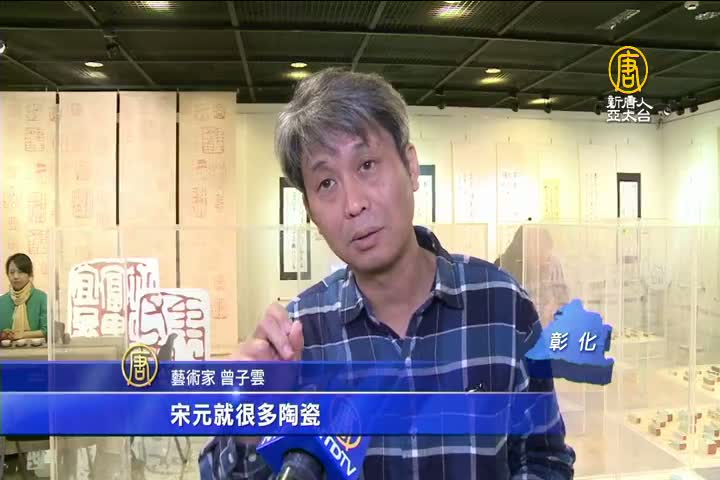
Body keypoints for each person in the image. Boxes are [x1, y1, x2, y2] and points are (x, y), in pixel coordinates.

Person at [199, 68, 575, 479]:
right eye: (326, 184)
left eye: (366, 165)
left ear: (411, 167)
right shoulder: (298, 340)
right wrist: (250, 425)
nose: (353, 204)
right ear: (310, 212)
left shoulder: (502, 303)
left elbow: (544, 459)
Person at [495, 226, 570, 327]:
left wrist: (555, 306)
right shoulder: (504, 266)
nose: (545, 258)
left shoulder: (553, 264)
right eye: (539, 250)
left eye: (546, 252)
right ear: (524, 249)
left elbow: (563, 299)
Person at [0, 253, 47, 340]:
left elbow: (46, 331)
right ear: (7, 274)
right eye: (12, 272)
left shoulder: (41, 298)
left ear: (30, 274)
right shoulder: (1, 301)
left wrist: (22, 334)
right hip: (6, 348)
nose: (15, 276)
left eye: (20, 272)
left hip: (36, 348)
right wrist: (3, 334)